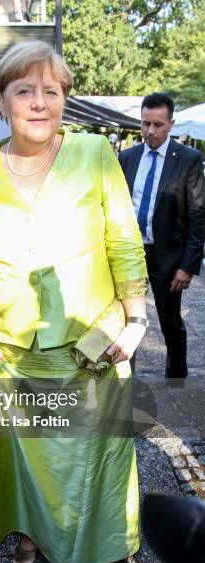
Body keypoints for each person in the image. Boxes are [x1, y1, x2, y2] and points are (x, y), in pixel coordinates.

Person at [0, 40, 148, 563]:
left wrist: (136, 320)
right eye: (25, 90)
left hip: (90, 336)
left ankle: (81, 547)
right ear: (1, 101)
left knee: (82, 454)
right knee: (29, 452)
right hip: (8, 345)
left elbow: (125, 243)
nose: (40, 102)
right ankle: (33, 529)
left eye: (52, 91)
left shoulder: (95, 153)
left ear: (63, 100)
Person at [119, 93, 205, 379]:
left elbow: (197, 215)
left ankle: (178, 379)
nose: (151, 131)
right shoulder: (127, 157)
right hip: (130, 253)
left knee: (170, 322)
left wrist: (188, 265)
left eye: (158, 125)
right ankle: (124, 380)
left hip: (167, 257)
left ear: (171, 124)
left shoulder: (188, 159)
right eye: (145, 124)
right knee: (126, 321)